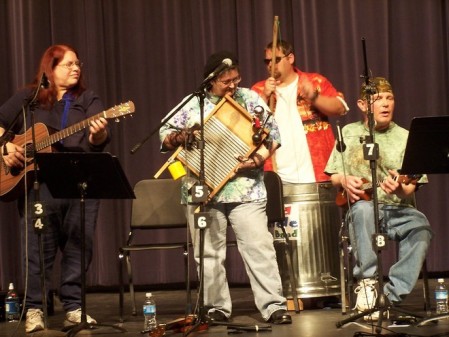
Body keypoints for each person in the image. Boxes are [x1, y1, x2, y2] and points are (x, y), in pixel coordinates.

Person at [159, 51, 292, 324]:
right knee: (208, 252)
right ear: (210, 81)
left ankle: (273, 305)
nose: (233, 85)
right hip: (203, 189)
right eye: (226, 81)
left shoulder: (250, 99)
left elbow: (273, 136)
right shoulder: (192, 104)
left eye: (236, 78)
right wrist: (179, 136)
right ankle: (216, 307)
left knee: (259, 247)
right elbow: (164, 137)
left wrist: (257, 158)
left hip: (246, 188)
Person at [0, 44, 109, 332]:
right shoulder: (28, 98)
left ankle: (74, 307)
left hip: (78, 182)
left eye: (78, 63)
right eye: (68, 64)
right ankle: (34, 308)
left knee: (78, 247)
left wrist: (99, 134)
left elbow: (98, 141)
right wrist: (6, 147)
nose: (76, 68)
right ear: (51, 69)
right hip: (39, 184)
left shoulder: (87, 98)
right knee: (36, 248)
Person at [324, 77, 432, 320]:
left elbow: (410, 187)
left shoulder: (406, 137)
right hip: (362, 210)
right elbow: (332, 175)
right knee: (362, 210)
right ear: (363, 105)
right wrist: (344, 180)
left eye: (389, 98)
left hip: (398, 209)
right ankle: (367, 284)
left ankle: (391, 295)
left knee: (421, 227)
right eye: (378, 99)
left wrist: (399, 190)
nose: (386, 104)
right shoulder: (349, 133)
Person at [252, 39, 348, 183]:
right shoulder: (258, 90)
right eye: (267, 62)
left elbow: (340, 108)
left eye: (276, 60)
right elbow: (247, 127)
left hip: (317, 172)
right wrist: (264, 96)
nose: (271, 65)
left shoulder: (314, 81)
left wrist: (314, 97)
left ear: (290, 58)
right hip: (277, 175)